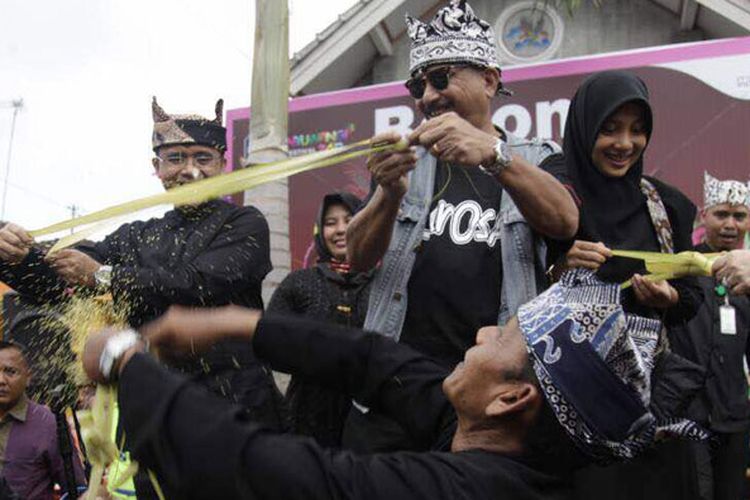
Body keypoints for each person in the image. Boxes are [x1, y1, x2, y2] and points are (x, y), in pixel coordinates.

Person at [79, 269, 705, 500]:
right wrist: (238, 322)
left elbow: (268, 474)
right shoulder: (494, 435)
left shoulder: (470, 488)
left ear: (513, 398)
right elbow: (374, 361)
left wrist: (124, 360)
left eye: (502, 338)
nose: (482, 334)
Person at [0, 98, 285, 496]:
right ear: (157, 168)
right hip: (157, 407)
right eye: (175, 159)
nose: (189, 170)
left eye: (202, 157)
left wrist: (103, 276)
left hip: (236, 403)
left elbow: (200, 283)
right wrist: (13, 254)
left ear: (223, 163)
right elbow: (59, 279)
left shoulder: (245, 223)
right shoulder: (136, 236)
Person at [345, 0, 577, 451]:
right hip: (392, 387)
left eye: (441, 78)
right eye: (418, 84)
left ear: (489, 80)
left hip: (485, 397)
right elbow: (356, 258)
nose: (428, 96)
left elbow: (565, 220)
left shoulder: (535, 156)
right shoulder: (405, 161)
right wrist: (387, 194)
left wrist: (493, 155)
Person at [542, 70, 704, 499]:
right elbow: (523, 282)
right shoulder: (556, 194)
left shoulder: (665, 205)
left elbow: (691, 297)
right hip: (573, 400)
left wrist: (668, 297)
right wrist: (562, 268)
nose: (624, 143)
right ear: (584, 127)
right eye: (609, 129)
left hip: (650, 401)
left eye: (637, 130)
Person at [267, 191, 373, 446]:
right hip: (308, 421)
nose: (340, 230)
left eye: (349, 219)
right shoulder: (299, 283)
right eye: (330, 223)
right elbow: (270, 344)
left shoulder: (384, 286)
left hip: (372, 419)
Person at [669, 172, 750, 500]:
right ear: (705, 216)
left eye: (739, 216)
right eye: (721, 214)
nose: (730, 224)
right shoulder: (681, 268)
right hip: (688, 415)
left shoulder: (748, 280)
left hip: (735, 414)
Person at [0, 341, 85, 499]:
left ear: (28, 377)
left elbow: (76, 489)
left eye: (10, 372)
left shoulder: (48, 424)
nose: (1, 380)